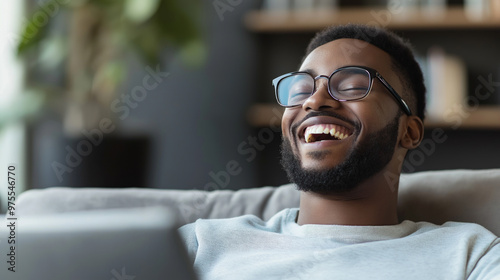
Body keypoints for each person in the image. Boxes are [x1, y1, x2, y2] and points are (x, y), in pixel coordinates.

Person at [179, 24, 500, 279]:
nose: (314, 101)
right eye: (301, 88)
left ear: (409, 131)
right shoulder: (200, 243)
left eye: (350, 85)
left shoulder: (471, 256)